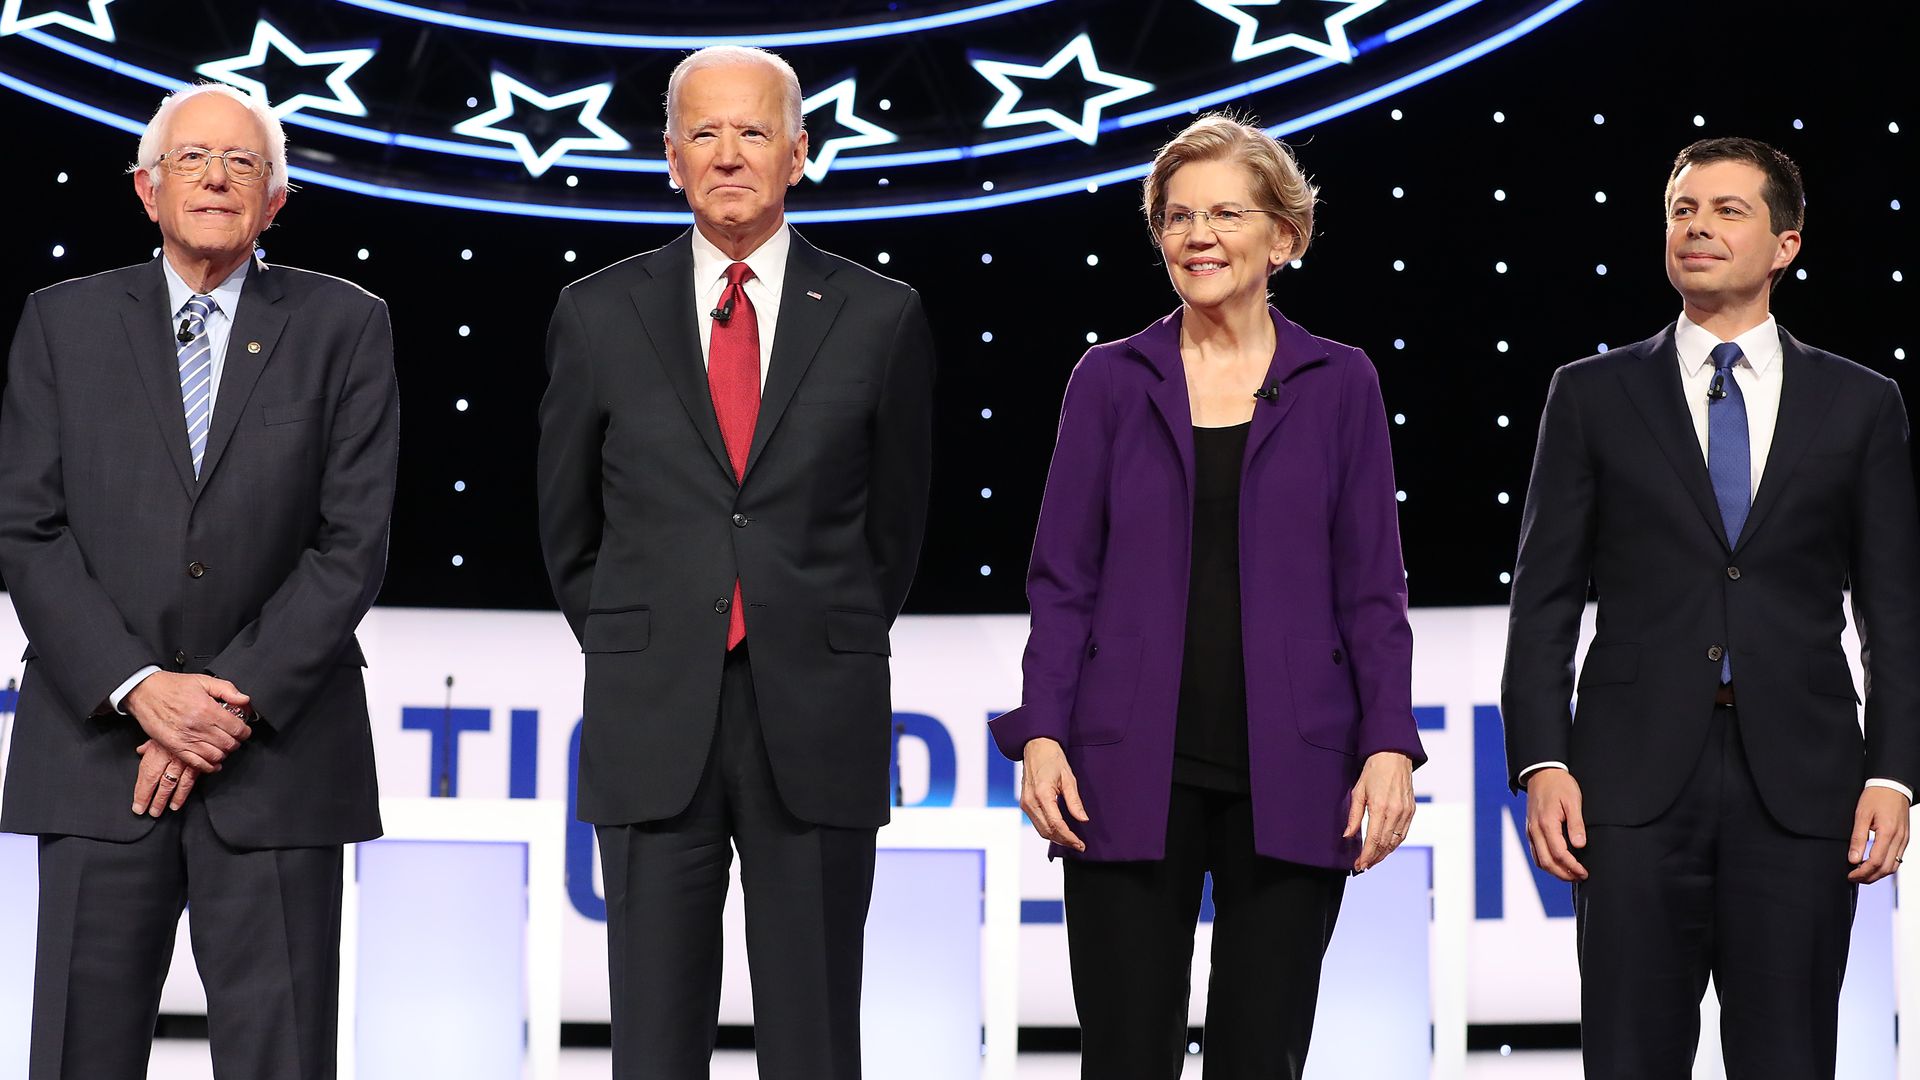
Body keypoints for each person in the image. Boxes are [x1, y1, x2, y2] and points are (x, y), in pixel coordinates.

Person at [990, 114, 1424, 1080]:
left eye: (1227, 213)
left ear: (1285, 235)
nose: (1199, 236)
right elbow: (1063, 581)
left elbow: (1373, 591)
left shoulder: (1339, 381)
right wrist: (1044, 731)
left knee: (1259, 1059)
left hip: (1296, 765)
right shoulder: (1109, 379)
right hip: (1124, 767)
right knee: (1125, 1056)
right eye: (1178, 216)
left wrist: (1388, 741)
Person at [536, 44, 935, 1080]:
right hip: (652, 711)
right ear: (670, 159)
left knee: (813, 1040)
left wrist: (811, 625)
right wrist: (649, 632)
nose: (728, 156)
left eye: (753, 132)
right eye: (703, 134)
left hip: (816, 711)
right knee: (654, 1043)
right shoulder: (596, 312)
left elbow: (893, 531)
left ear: (800, 154)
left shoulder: (881, 316)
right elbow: (567, 526)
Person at [0, 82, 399, 1079]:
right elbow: (27, 527)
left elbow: (351, 541)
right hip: (99, 757)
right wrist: (142, 690)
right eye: (193, 158)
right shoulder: (61, 322)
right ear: (146, 187)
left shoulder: (346, 325)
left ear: (276, 201)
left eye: (243, 163)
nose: (216, 178)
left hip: (277, 761)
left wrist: (221, 708)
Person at [1503, 137, 1920, 1078]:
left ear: (1786, 244)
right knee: (1629, 1057)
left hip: (1803, 786)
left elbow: (1893, 610)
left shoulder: (1859, 404)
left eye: (1728, 210)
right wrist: (1541, 758)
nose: (1696, 226)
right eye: (1682, 209)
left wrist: (1893, 775)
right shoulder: (1591, 393)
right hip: (1630, 787)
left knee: (1788, 1057)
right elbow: (1545, 599)